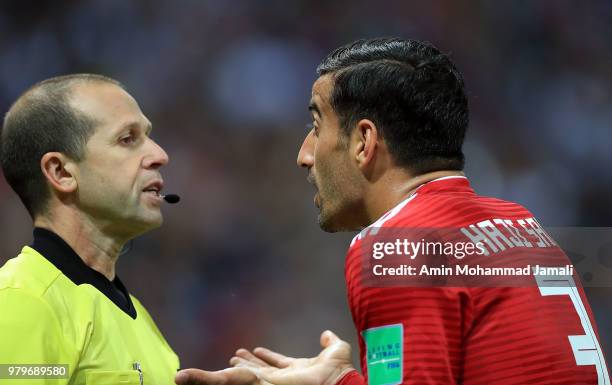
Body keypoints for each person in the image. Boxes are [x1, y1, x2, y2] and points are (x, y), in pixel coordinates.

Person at [175, 38, 610, 385]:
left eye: (315, 125)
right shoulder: (521, 224)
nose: (304, 155)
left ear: (364, 142)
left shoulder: (396, 246)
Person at [0, 74, 179, 384]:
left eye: (148, 135)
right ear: (61, 172)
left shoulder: (141, 320)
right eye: (127, 139)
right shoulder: (22, 301)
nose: (159, 155)